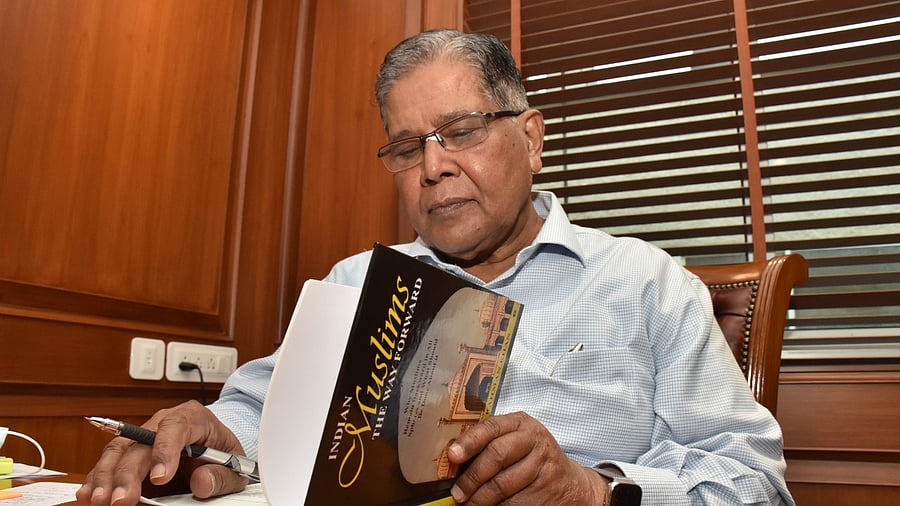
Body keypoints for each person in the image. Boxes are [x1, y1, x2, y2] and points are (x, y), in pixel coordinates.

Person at [77, 29, 794, 505]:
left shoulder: (646, 284)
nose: (433, 167)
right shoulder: (360, 283)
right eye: (406, 146)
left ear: (533, 136)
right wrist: (213, 430)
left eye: (460, 132)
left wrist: (593, 490)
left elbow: (757, 484)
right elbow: (254, 414)